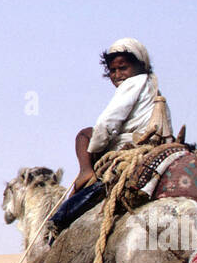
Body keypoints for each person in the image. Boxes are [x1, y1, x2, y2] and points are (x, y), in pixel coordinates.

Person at [72, 38, 173, 190]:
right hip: (156, 147)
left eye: (123, 68)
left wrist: (95, 150)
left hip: (130, 146)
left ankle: (86, 172)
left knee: (84, 134)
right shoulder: (156, 92)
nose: (118, 74)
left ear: (140, 66)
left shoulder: (133, 83)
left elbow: (107, 122)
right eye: (113, 70)